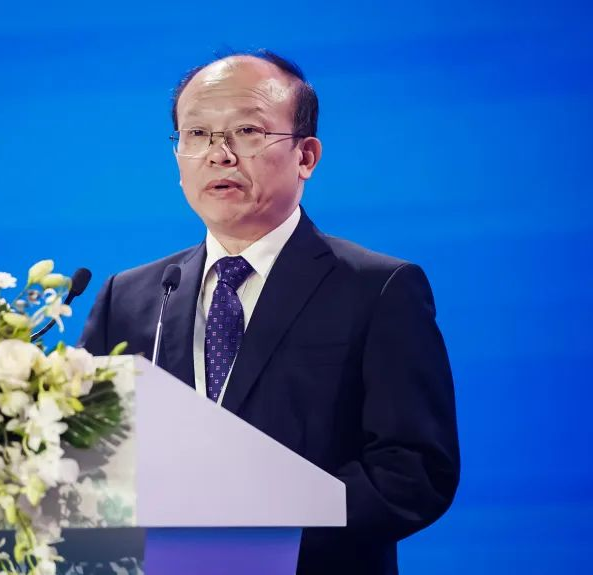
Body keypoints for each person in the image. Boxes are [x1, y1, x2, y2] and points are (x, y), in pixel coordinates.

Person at [79, 50, 460, 575]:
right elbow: (86, 456)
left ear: (306, 156)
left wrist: (260, 535)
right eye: (197, 134)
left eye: (247, 132)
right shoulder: (130, 296)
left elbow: (414, 471)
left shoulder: (378, 289)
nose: (219, 155)